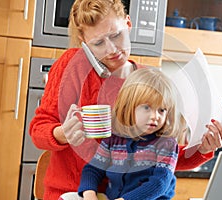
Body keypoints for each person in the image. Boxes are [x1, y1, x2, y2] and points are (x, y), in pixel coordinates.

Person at [29, 0, 222, 200]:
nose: (111, 49)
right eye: (98, 43)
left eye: (116, 35)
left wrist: (202, 149)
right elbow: (38, 131)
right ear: (83, 40)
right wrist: (63, 134)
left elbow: (161, 156)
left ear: (128, 23)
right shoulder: (72, 65)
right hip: (71, 191)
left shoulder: (147, 80)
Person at [78, 68, 186, 200]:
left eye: (161, 110)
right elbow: (93, 169)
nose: (155, 116)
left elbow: (159, 183)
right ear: (128, 106)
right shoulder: (114, 138)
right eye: (147, 107)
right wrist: (89, 193)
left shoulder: (166, 144)